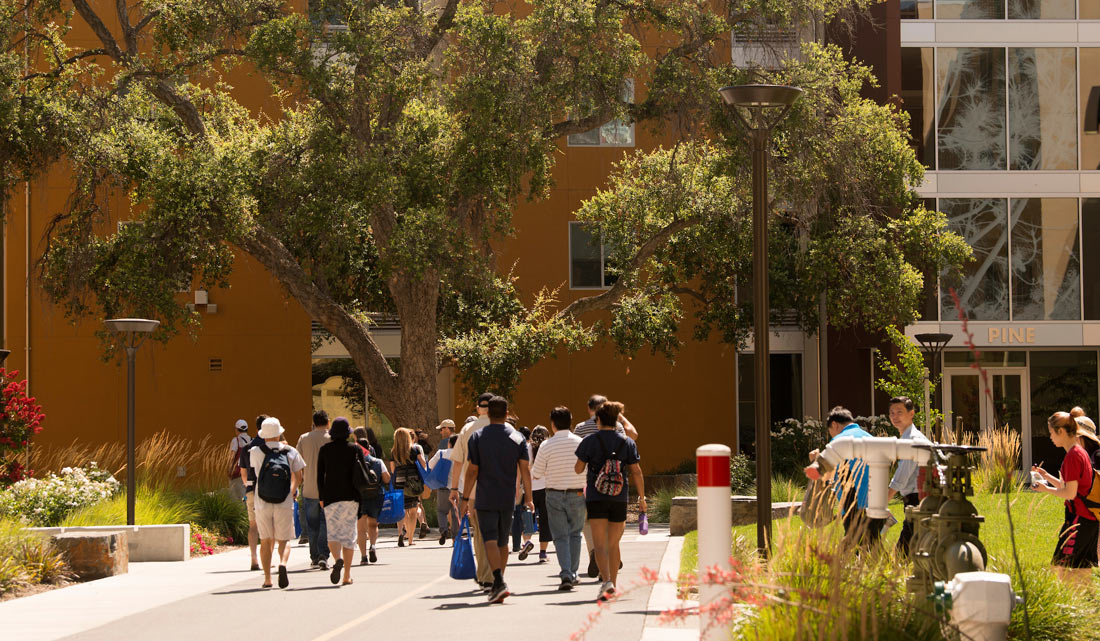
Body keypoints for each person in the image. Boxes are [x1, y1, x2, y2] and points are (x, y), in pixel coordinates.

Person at [459, 396, 533, 604]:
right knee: (503, 541)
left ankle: (498, 581)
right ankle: (500, 581)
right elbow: (525, 470)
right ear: (507, 414)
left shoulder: (478, 437)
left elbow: (472, 470)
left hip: (485, 496)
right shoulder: (517, 438)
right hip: (508, 496)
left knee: (489, 538)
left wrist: (465, 497)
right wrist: (529, 497)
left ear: (488, 414)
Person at [575, 401, 644, 602]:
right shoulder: (627, 442)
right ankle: (613, 582)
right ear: (616, 420)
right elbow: (637, 472)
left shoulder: (589, 441)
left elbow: (578, 469)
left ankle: (607, 582)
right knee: (613, 544)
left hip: (596, 497)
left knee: (600, 544)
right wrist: (642, 498)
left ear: (598, 420)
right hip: (619, 497)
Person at [804, 406, 881, 548]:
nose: (832, 436)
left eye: (831, 432)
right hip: (877, 504)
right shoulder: (870, 438)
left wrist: (816, 460)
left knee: (858, 550)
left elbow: (825, 476)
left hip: (854, 506)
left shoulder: (839, 441)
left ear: (834, 424)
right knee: (872, 548)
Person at [1032, 411, 1099, 568]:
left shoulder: (1073, 456)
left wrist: (1045, 489)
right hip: (1089, 520)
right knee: (1083, 569)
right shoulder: (1080, 452)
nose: (1050, 437)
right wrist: (1046, 476)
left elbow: (1070, 493)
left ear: (1061, 431)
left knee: (1062, 568)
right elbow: (1068, 487)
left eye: (1051, 432)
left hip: (1079, 519)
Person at [533, 407, 587, 590]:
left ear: (552, 424)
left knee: (560, 536)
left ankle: (566, 573)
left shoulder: (546, 446)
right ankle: (573, 572)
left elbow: (537, 473)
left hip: (554, 493)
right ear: (571, 421)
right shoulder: (580, 443)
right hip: (577, 492)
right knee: (575, 534)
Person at [250, 417, 305, 589]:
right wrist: (292, 490)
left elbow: (256, 473)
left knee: (266, 540)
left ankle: (267, 579)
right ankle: (282, 563)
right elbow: (299, 477)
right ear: (280, 433)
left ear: (263, 435)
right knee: (284, 539)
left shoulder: (255, 452)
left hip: (262, 501)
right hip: (284, 500)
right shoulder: (291, 451)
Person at [450, 392, 495, 590]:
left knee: (480, 534)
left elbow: (458, 461)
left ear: (478, 408)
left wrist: (454, 489)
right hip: (499, 490)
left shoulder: (468, 429)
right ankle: (495, 574)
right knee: (498, 534)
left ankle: (486, 575)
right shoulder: (505, 428)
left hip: (474, 490)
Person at [316, 417, 364, 585]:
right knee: (349, 535)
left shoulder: (325, 450)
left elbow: (319, 476)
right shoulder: (355, 450)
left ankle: (337, 559)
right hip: (351, 497)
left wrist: (321, 497)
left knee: (333, 534)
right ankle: (347, 575)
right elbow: (361, 474)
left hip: (330, 497)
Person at [885, 396, 929, 556]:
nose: (895, 417)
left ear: (912, 414)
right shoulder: (907, 437)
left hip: (919, 499)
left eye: (899, 412)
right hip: (916, 497)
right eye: (892, 413)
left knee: (905, 549)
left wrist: (882, 501)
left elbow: (901, 478)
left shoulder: (912, 440)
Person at [296, 410, 331, 570]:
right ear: (328, 422)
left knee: (312, 524)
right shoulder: (332, 438)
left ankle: (314, 556)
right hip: (328, 489)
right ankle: (324, 554)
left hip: (309, 488)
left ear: (314, 422)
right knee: (326, 523)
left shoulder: (304, 438)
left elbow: (296, 462)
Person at [354, 432, 390, 565]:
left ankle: (363, 557)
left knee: (361, 528)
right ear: (368, 448)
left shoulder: (353, 462)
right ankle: (373, 546)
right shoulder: (378, 461)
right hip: (375, 495)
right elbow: (386, 479)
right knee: (373, 524)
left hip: (359, 497)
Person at [238, 414, 267, 571]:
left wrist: (248, 485)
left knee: (253, 525)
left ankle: (254, 558)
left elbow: (243, 473)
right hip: (269, 491)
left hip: (251, 489)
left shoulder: (248, 448)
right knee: (268, 526)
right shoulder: (271, 446)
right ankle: (267, 558)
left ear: (256, 428)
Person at [390, 427, 428, 547]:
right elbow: (423, 463)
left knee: (402, 510)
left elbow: (392, 469)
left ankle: (401, 533)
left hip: (399, 482)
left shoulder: (393, 451)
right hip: (413, 482)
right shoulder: (415, 448)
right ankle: (410, 539)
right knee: (412, 511)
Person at [430, 422, 459, 545]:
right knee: (455, 512)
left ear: (449, 443)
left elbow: (430, 465)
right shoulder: (462, 455)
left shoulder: (441, 453)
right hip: (457, 487)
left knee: (442, 511)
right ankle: (455, 538)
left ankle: (443, 530)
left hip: (443, 485)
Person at [528, 425, 552, 562]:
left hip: (530, 488)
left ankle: (526, 542)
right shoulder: (548, 447)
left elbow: (523, 467)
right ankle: (543, 553)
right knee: (544, 521)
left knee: (527, 518)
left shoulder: (527, 447)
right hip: (545, 487)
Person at [228, 419, 251, 500]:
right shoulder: (252, 440)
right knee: (248, 498)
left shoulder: (236, 441)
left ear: (236, 429)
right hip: (250, 476)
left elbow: (231, 457)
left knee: (237, 499)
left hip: (238, 475)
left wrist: (229, 471)